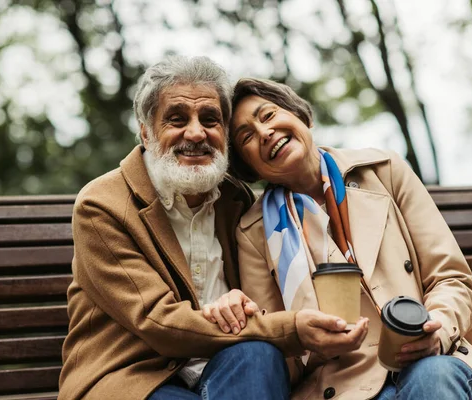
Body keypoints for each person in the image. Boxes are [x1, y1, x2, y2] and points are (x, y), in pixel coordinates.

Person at [58, 57, 370, 400]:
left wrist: (246, 305)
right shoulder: (102, 205)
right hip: (134, 379)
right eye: (176, 119)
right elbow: (157, 321)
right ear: (146, 131)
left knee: (259, 354)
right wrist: (291, 328)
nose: (196, 133)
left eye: (210, 119)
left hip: (230, 368)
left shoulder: (235, 200)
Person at [203, 77, 472, 399]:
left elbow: (450, 276)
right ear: (249, 167)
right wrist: (290, 332)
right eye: (247, 137)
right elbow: (281, 348)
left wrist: (437, 330)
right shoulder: (254, 232)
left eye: (269, 115)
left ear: (301, 115)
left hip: (433, 360)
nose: (264, 133)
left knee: (434, 378)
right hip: (341, 386)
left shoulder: (385, 171)